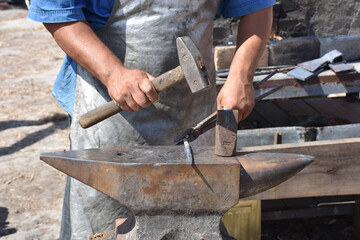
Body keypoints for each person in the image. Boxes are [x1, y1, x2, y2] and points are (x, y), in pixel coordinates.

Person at [29, 0, 274, 239]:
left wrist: (242, 77)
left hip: (193, 117)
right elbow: (57, 11)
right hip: (110, 118)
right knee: (103, 223)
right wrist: (113, 73)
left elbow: (258, 7)